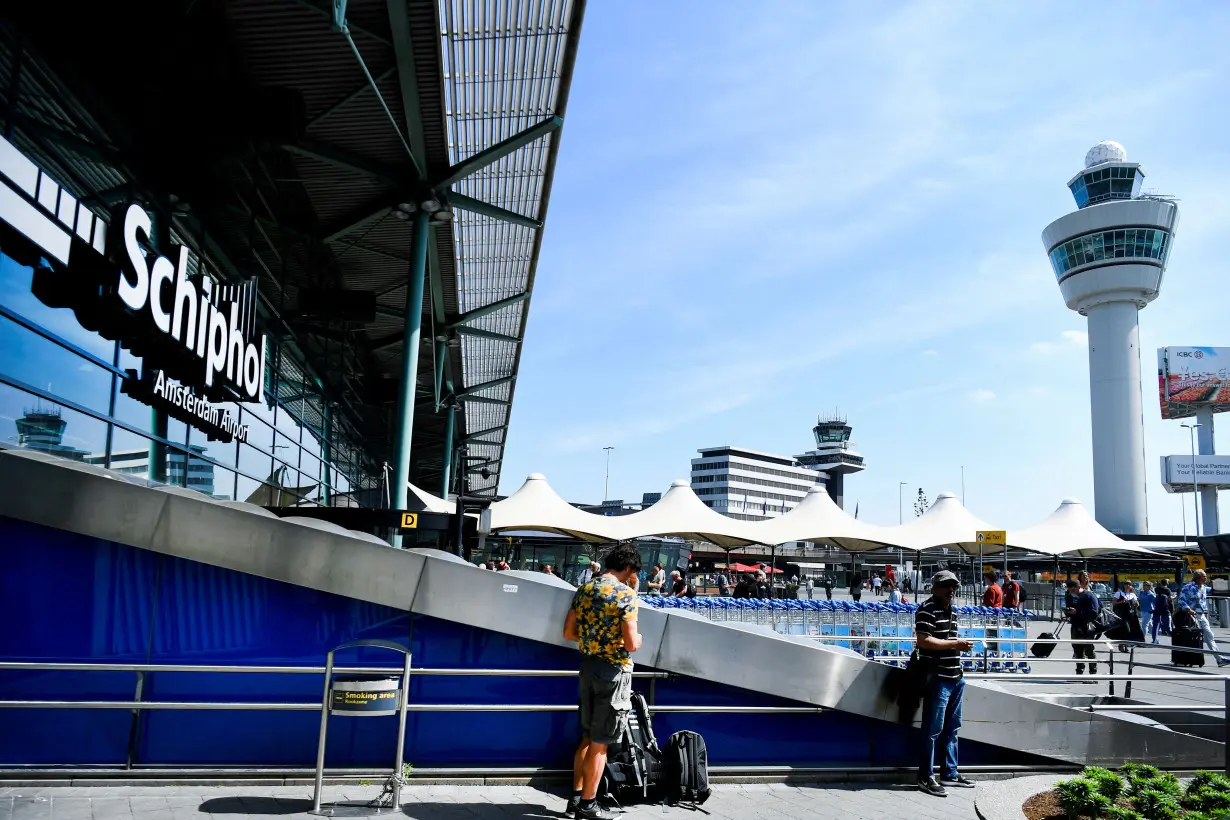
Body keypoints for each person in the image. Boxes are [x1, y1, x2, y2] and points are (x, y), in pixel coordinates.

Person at [562, 544, 643, 820]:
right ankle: (588, 806)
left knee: (586, 737)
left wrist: (593, 642)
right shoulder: (626, 595)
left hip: (588, 668)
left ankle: (575, 798)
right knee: (600, 743)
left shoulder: (584, 589)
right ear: (629, 569)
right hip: (613, 672)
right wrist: (637, 640)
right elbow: (632, 644)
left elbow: (568, 632)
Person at [915, 570, 975, 797]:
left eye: (954, 586)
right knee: (932, 730)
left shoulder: (953, 611)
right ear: (934, 587)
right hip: (938, 679)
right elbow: (924, 641)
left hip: (955, 678)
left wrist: (957, 649)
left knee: (952, 728)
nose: (951, 590)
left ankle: (949, 773)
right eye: (946, 586)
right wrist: (955, 644)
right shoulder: (926, 609)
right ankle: (925, 776)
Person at [1177, 570, 1230, 667]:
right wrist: (1189, 610)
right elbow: (1181, 600)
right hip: (1191, 615)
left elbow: (1217, 590)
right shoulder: (1188, 587)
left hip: (1201, 615)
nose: (1206, 578)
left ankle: (1219, 659)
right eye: (1204, 576)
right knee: (1194, 638)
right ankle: (1188, 658)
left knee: (1209, 636)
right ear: (1197, 578)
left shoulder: (1204, 588)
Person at [1065, 579, 1100, 677]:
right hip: (1075, 625)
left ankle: (1093, 674)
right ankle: (1079, 673)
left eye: (1073, 590)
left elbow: (1094, 612)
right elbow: (1069, 607)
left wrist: (1078, 612)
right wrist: (1067, 611)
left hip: (1087, 626)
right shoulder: (1070, 596)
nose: (1072, 592)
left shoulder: (1089, 595)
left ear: (1079, 587)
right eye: (1070, 590)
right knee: (1077, 650)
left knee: (1089, 650)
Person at [1112, 581, 1144, 646]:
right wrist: (1121, 601)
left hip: (1132, 615)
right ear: (1124, 585)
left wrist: (1136, 603)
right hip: (1122, 614)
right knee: (1125, 629)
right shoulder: (1119, 593)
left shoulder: (1133, 595)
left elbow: (1137, 604)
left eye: (1129, 584)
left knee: (1135, 628)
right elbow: (1114, 603)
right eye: (1126, 584)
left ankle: (1135, 643)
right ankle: (1124, 644)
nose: (1128, 585)